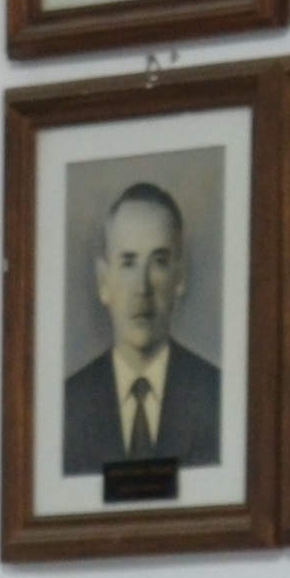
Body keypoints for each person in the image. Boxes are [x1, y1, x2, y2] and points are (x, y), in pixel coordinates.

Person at [60, 181, 223, 474]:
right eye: (128, 263)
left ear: (180, 278)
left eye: (158, 262)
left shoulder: (218, 396)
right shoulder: (67, 407)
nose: (142, 287)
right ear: (103, 282)